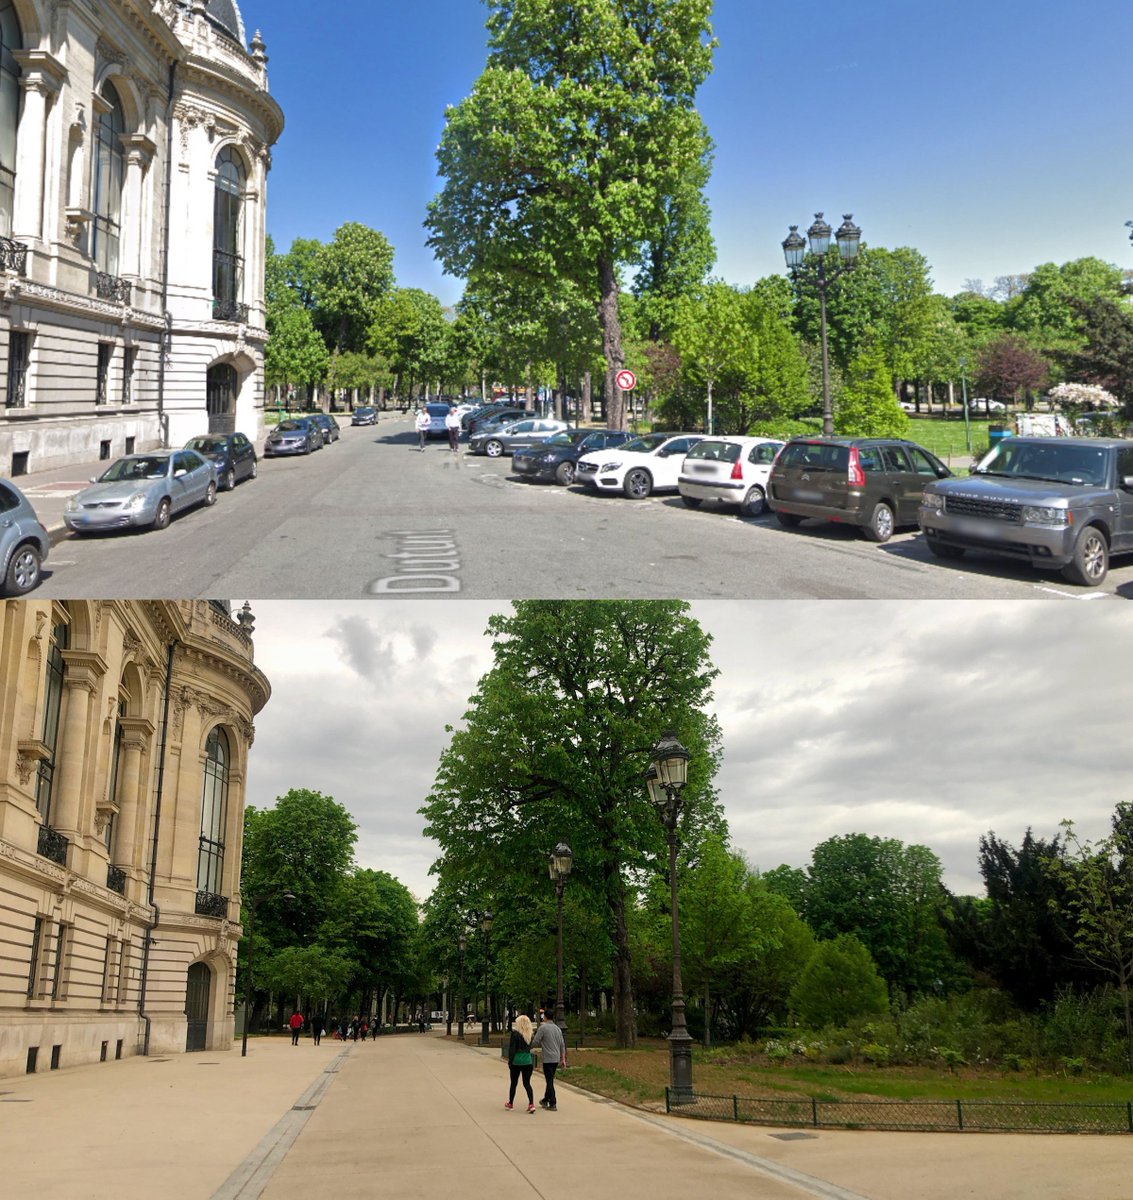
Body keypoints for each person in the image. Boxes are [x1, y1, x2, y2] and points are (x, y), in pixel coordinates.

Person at [532, 1015, 566, 1110]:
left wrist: (527, 1048)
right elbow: (562, 1045)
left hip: (547, 1059)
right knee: (550, 1079)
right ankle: (545, 1099)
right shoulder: (558, 1029)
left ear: (545, 1017)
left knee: (549, 1081)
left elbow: (536, 1041)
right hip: (555, 1058)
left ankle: (553, 1103)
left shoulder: (543, 1028)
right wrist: (563, 1059)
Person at [505, 1014, 536, 1113]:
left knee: (514, 1083)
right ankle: (531, 1104)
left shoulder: (515, 1034)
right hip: (527, 1061)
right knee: (527, 1084)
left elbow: (512, 1049)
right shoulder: (530, 1034)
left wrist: (510, 1061)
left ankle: (511, 1103)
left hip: (517, 1061)